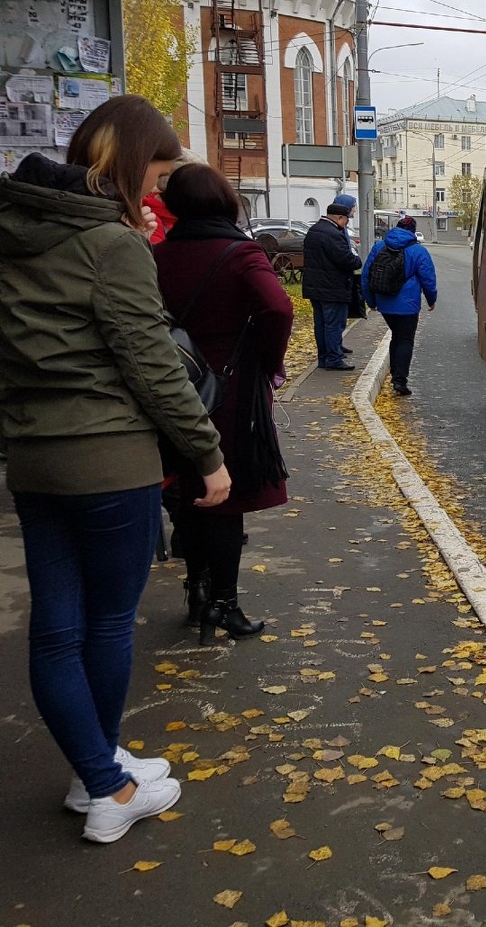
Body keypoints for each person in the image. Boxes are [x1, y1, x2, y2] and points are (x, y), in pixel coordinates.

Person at [0, 95, 231, 843]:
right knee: (104, 625)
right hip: (110, 462)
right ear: (132, 162)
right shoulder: (112, 246)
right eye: (158, 173)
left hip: (35, 462)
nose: (160, 190)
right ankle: (108, 787)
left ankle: (95, 769)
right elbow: (154, 367)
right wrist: (208, 455)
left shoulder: (14, 232)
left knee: (53, 631)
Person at [154, 164, 293, 643]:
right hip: (229, 389)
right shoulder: (241, 253)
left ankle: (195, 591)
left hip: (172, 382)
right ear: (227, 202)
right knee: (224, 495)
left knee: (188, 488)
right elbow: (277, 307)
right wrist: (266, 361)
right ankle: (225, 604)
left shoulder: (156, 255)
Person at [361, 215, 438, 395]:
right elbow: (428, 278)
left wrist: (370, 301)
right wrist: (431, 299)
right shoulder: (418, 251)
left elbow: (366, 275)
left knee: (396, 336)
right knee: (405, 339)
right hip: (408, 305)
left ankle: (395, 375)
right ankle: (399, 381)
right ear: (412, 231)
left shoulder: (380, 246)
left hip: (384, 302)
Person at [301, 194, 361, 370]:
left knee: (320, 324)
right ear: (340, 218)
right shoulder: (332, 234)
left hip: (315, 287)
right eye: (346, 220)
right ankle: (334, 359)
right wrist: (357, 260)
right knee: (334, 324)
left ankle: (324, 358)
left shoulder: (314, 231)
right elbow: (347, 260)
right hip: (332, 287)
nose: (347, 224)